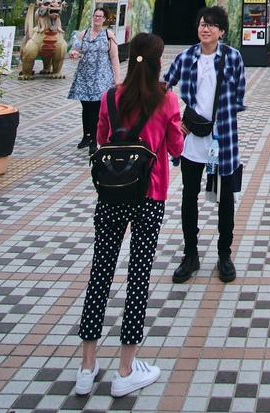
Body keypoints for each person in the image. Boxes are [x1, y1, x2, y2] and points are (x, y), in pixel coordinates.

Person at [75, 32, 184, 398]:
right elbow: (175, 147)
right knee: (139, 276)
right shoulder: (167, 99)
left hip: (111, 194)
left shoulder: (110, 97)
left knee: (100, 273)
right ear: (157, 62)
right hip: (149, 194)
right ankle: (125, 369)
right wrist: (179, 127)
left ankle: (86, 367)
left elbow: (102, 139)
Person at [165, 7, 246, 285]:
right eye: (202, 24)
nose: (205, 29)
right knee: (189, 195)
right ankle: (190, 254)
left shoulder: (233, 58)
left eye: (212, 25)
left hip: (222, 138)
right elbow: (165, 86)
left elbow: (239, 96)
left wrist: (217, 118)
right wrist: (178, 120)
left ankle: (224, 254)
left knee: (225, 199)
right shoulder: (186, 57)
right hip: (191, 140)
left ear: (222, 31)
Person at [68, 7, 121, 149]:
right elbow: (75, 50)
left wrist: (117, 78)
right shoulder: (82, 34)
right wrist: (73, 53)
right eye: (95, 16)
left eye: (100, 16)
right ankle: (86, 136)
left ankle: (94, 139)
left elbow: (114, 57)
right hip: (84, 76)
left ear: (104, 19)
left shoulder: (108, 35)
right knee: (86, 107)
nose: (97, 18)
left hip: (101, 77)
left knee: (97, 108)